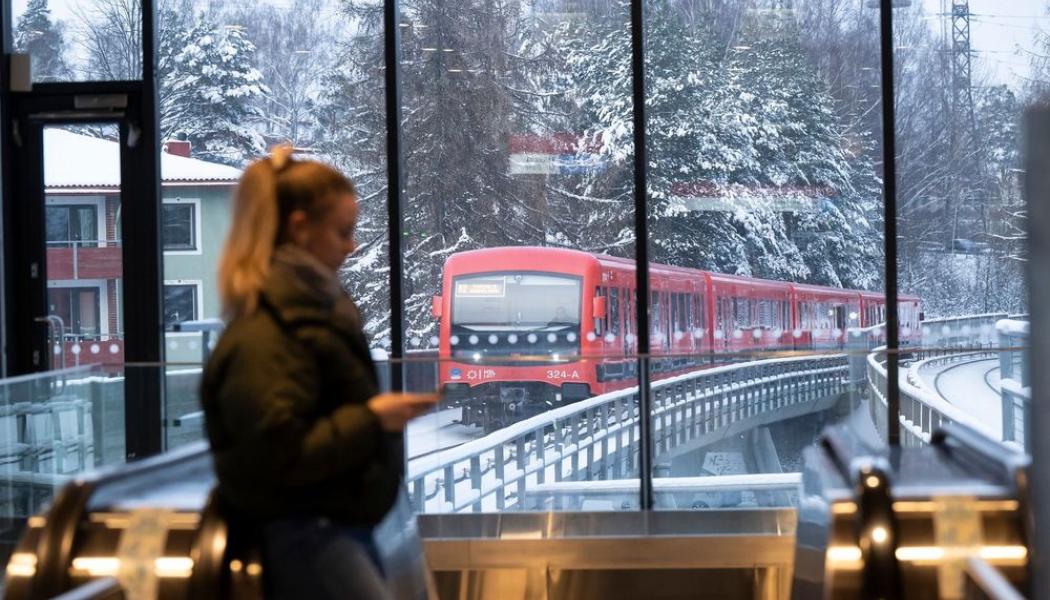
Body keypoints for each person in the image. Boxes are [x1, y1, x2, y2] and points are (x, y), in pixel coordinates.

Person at [200, 146, 437, 599]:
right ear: (300, 228)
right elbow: (279, 453)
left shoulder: (302, 316)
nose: (352, 246)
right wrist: (373, 419)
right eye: (343, 232)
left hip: (332, 529)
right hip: (311, 539)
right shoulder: (270, 334)